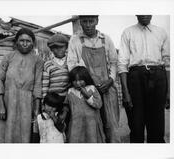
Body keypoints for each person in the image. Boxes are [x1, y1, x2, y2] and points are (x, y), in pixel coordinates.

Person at [67, 15, 120, 142]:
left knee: (111, 125)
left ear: (97, 21)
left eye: (91, 21)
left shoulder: (106, 39)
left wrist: (111, 80)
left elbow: (113, 62)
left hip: (106, 87)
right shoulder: (75, 40)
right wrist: (86, 86)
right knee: (91, 126)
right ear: (80, 22)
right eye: (85, 21)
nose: (88, 24)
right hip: (87, 89)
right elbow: (72, 65)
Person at [118, 15, 170, 143]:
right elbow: (122, 63)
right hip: (136, 78)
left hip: (158, 76)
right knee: (136, 124)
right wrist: (126, 93)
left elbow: (168, 62)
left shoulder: (161, 32)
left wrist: (169, 91)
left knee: (157, 125)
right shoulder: (128, 32)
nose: (144, 15)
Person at [0, 28, 43, 143]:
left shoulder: (38, 60)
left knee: (23, 137)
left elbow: (38, 85)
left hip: (26, 104)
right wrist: (0, 105)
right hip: (7, 102)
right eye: (21, 40)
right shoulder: (8, 57)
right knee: (4, 136)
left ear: (33, 43)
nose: (25, 44)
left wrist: (36, 110)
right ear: (16, 42)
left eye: (28, 41)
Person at [65, 66, 105, 143]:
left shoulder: (92, 88)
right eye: (74, 80)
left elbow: (99, 104)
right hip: (76, 124)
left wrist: (87, 96)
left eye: (80, 80)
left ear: (86, 78)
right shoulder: (70, 91)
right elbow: (66, 104)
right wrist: (64, 112)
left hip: (91, 124)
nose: (77, 83)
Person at [41, 33, 70, 133]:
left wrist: (67, 102)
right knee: (53, 127)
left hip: (66, 99)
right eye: (54, 48)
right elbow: (44, 85)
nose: (58, 50)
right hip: (52, 100)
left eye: (61, 47)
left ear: (66, 47)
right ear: (51, 49)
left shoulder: (71, 62)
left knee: (66, 123)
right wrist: (44, 103)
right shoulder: (48, 64)